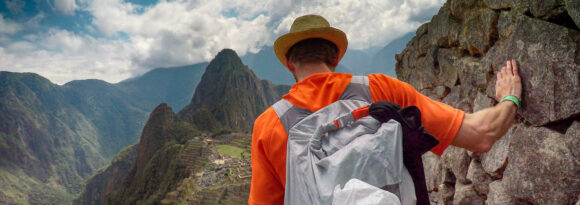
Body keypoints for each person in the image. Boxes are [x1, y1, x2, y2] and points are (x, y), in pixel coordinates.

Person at [249, 14, 521, 204]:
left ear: (289, 64)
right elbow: (482, 134)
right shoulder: (382, 90)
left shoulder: (270, 125)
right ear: (335, 57)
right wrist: (510, 98)